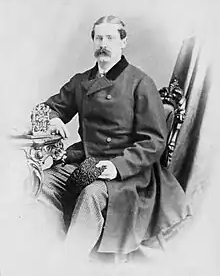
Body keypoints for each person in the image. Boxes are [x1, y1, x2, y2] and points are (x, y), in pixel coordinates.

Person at [38, 15, 189, 263]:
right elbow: (50, 107)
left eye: (110, 38)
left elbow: (153, 141)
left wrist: (117, 167)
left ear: (123, 42)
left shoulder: (141, 83)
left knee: (91, 194)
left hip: (129, 172)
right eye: (98, 38)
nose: (103, 44)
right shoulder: (82, 81)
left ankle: (68, 263)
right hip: (86, 161)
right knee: (40, 182)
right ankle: (52, 247)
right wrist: (54, 118)